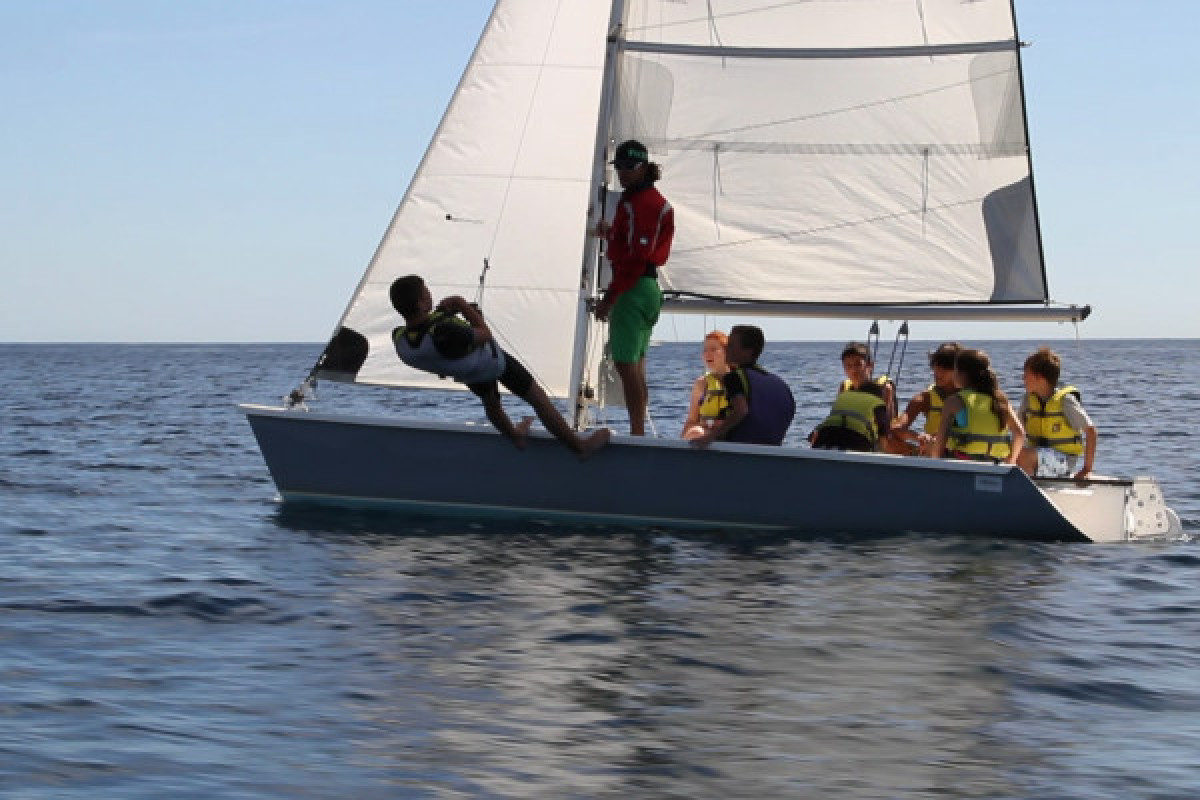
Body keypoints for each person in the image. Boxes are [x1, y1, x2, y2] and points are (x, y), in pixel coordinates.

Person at [389, 275, 610, 457]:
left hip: (469, 373)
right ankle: (579, 447)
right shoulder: (445, 331)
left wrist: (446, 315)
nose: (430, 294)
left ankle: (516, 436)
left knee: (491, 402)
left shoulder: (401, 338)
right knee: (538, 399)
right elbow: (485, 334)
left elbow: (434, 347)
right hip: (494, 363)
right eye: (426, 292)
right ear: (420, 303)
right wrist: (461, 304)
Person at [593, 139, 674, 436]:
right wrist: (610, 233)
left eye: (630, 167)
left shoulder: (646, 204)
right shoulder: (636, 200)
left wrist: (610, 297)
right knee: (636, 364)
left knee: (627, 366)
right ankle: (639, 430)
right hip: (645, 289)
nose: (623, 173)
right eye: (620, 168)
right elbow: (631, 242)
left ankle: (637, 432)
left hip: (635, 288)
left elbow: (638, 258)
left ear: (644, 168)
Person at [691, 325, 795, 447]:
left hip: (740, 451)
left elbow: (741, 410)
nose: (726, 349)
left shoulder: (734, 377)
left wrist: (710, 437)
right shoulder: (780, 384)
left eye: (730, 345)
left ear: (748, 351)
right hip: (771, 453)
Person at [931, 348, 1024, 464]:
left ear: (963, 374)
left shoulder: (954, 401)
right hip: (996, 463)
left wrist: (936, 465)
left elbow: (938, 446)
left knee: (931, 445)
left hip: (963, 463)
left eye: (955, 370)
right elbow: (1019, 432)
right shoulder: (1000, 399)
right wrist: (1011, 461)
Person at [1016, 347, 1097, 480]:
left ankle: (1028, 491)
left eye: (1026, 374)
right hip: (1037, 456)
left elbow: (1091, 431)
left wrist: (1087, 469)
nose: (1023, 378)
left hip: (1063, 460)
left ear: (1040, 378)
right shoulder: (1028, 400)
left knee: (1023, 455)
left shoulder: (1066, 401)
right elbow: (1017, 430)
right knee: (1007, 452)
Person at [810, 342, 894, 452]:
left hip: (858, 442)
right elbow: (836, 418)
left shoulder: (883, 390)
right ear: (844, 368)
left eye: (858, 364)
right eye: (848, 366)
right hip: (833, 441)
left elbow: (884, 428)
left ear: (870, 365)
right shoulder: (844, 389)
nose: (853, 370)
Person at [884, 341, 961, 456]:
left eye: (945, 368)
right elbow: (896, 428)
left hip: (963, 454)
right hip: (934, 452)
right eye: (936, 366)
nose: (938, 372)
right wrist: (917, 437)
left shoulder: (972, 397)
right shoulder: (924, 398)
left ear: (958, 370)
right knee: (889, 439)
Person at [681, 330, 730, 441]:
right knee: (695, 432)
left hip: (731, 436)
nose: (707, 354)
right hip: (705, 435)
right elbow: (692, 420)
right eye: (705, 350)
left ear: (726, 352)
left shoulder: (739, 382)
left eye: (713, 349)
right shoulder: (701, 384)